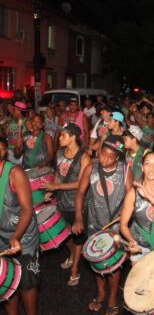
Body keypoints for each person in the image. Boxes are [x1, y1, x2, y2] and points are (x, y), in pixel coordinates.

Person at [72, 135, 133, 315]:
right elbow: (80, 194)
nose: (104, 159)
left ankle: (113, 297)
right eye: (102, 154)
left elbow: (131, 193)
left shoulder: (125, 170)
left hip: (116, 226)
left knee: (114, 264)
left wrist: (125, 208)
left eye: (109, 157)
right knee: (98, 260)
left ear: (117, 158)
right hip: (95, 223)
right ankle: (100, 294)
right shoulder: (90, 169)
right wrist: (78, 218)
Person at [42, 123, 91, 286]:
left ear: (73, 137)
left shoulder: (84, 157)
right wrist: (51, 191)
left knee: (77, 237)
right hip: (62, 199)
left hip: (77, 203)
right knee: (64, 234)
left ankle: (75, 269)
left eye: (63, 135)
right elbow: (58, 174)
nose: (59, 138)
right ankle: (72, 255)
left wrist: (57, 187)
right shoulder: (60, 153)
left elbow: (81, 183)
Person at [0, 138, 40, 315]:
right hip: (1, 236)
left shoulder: (15, 173)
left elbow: (27, 209)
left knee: (26, 282)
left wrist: (16, 236)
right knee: (7, 281)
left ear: (3, 151)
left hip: (23, 236)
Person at [120, 151, 154, 262]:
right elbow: (123, 224)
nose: (151, 168)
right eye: (147, 164)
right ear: (142, 167)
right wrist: (131, 241)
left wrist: (148, 196)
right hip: (141, 247)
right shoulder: (132, 193)